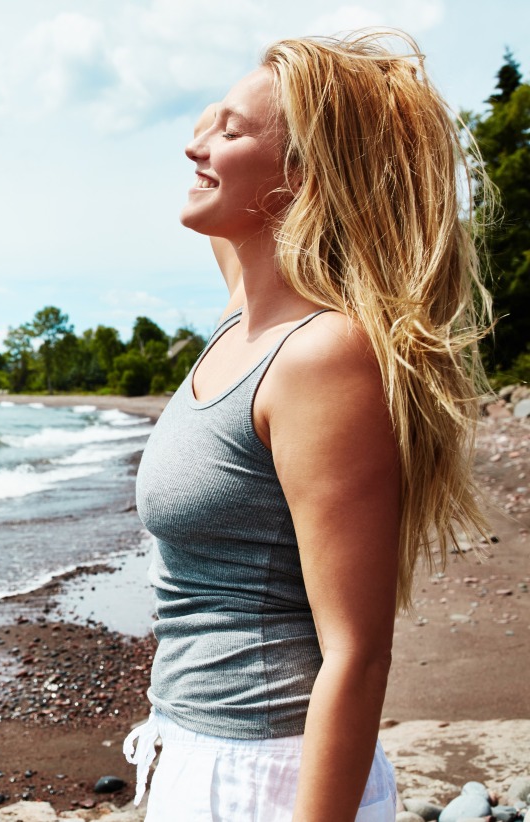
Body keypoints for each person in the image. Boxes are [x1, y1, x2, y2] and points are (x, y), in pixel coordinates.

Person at [124, 30, 492, 822]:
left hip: (267, 778)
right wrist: (245, 107)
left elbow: (357, 655)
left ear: (302, 177)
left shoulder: (320, 357)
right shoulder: (240, 317)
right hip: (188, 748)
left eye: (229, 133)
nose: (196, 145)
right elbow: (211, 140)